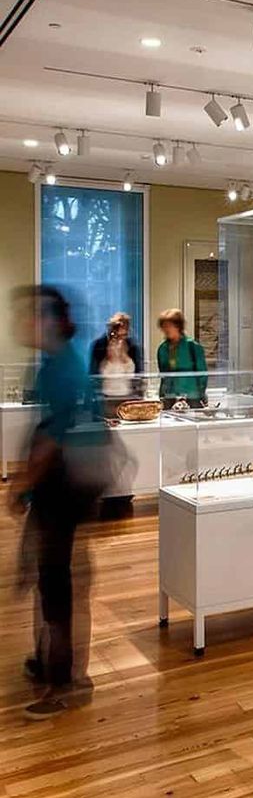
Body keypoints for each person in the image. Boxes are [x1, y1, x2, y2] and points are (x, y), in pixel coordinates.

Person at [9, 285, 109, 718]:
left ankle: (66, 682)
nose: (18, 322)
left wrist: (21, 483)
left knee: (59, 584)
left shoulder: (62, 369)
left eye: (27, 314)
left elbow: (51, 438)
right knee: (52, 578)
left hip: (66, 492)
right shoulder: (53, 365)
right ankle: (48, 660)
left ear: (49, 320)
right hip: (58, 490)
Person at [89, 311, 143, 417]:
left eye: (124, 334)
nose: (121, 339)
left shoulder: (132, 347)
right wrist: (110, 357)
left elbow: (137, 375)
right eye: (117, 335)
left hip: (128, 399)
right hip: (106, 398)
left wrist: (124, 357)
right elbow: (95, 375)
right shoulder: (99, 346)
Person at [157, 308, 208, 408]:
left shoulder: (193, 346)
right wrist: (163, 396)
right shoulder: (162, 349)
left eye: (169, 326)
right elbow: (164, 375)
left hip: (192, 398)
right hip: (169, 398)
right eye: (163, 326)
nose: (165, 329)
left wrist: (200, 395)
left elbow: (202, 375)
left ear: (178, 326)